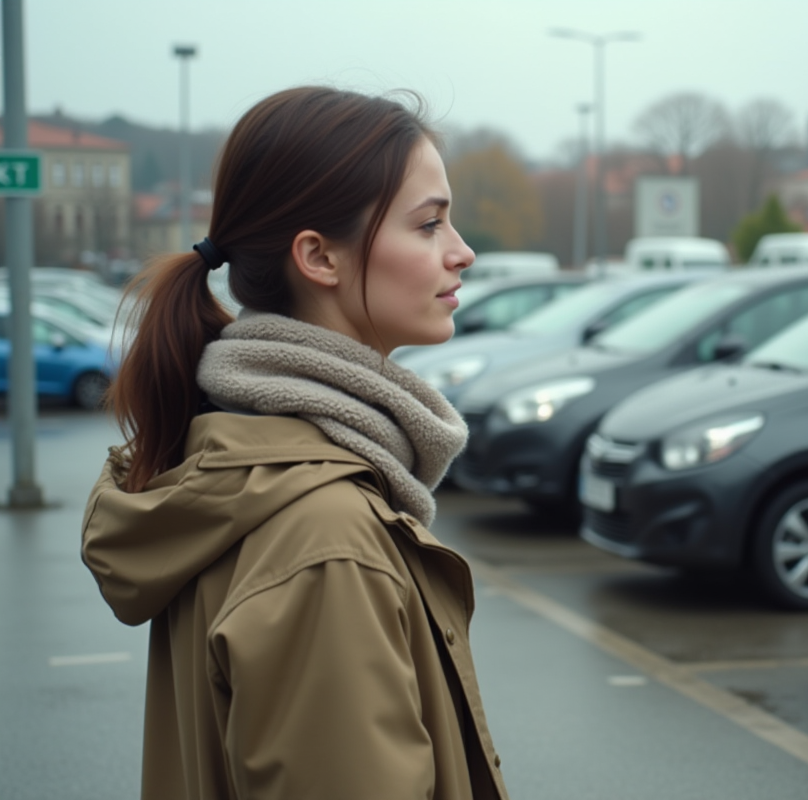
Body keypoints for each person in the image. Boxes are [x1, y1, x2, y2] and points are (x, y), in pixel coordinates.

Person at [81, 87, 508, 800]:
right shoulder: (325, 539)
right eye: (429, 224)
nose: (461, 252)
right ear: (318, 257)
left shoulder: (236, 454)